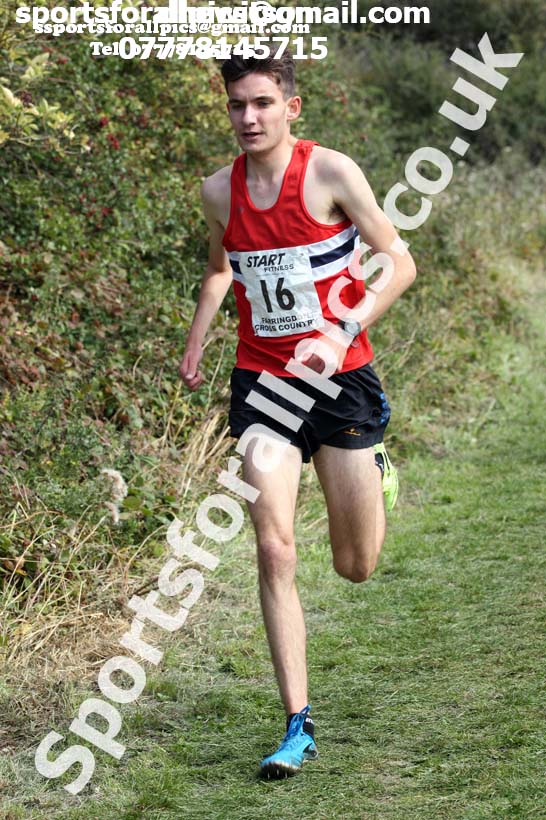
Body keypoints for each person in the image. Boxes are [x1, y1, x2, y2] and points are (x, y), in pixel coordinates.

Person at [179, 50, 416, 780]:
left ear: (291, 105)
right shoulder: (217, 191)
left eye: (261, 103)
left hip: (341, 382)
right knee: (273, 547)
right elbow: (221, 269)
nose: (247, 118)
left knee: (355, 566)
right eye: (235, 106)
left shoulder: (330, 173)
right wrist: (196, 340)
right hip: (263, 385)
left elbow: (398, 260)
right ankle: (296, 724)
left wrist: (341, 329)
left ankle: (373, 466)